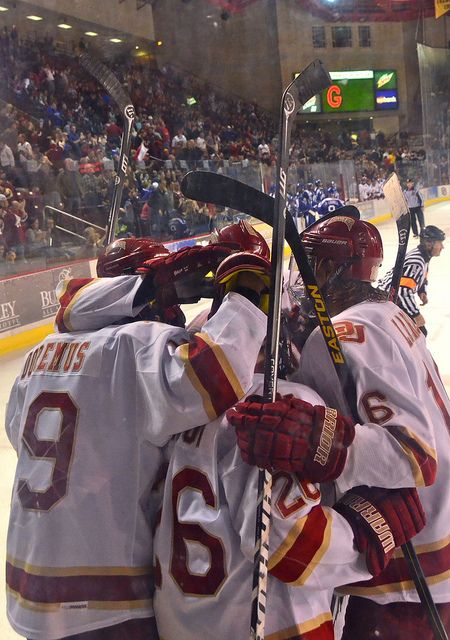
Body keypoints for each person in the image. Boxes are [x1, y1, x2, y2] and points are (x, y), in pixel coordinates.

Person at [5, 239, 269, 640]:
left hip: (26, 587)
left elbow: (16, 432)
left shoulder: (39, 353)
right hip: (102, 599)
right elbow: (219, 370)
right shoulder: (133, 345)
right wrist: (245, 293)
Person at [228, 213, 450, 639]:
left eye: (312, 262)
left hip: (405, 571)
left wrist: (317, 438)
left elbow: (414, 455)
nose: (301, 276)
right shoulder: (386, 315)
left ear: (329, 269)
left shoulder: (345, 333)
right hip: (437, 536)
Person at [378, 225, 445, 336]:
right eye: (439, 243)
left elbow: (421, 276)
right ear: (429, 244)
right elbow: (403, 291)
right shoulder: (416, 262)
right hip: (387, 300)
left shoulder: (424, 256)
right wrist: (416, 315)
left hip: (391, 297)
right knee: (419, 333)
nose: (442, 247)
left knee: (417, 334)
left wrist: (421, 290)